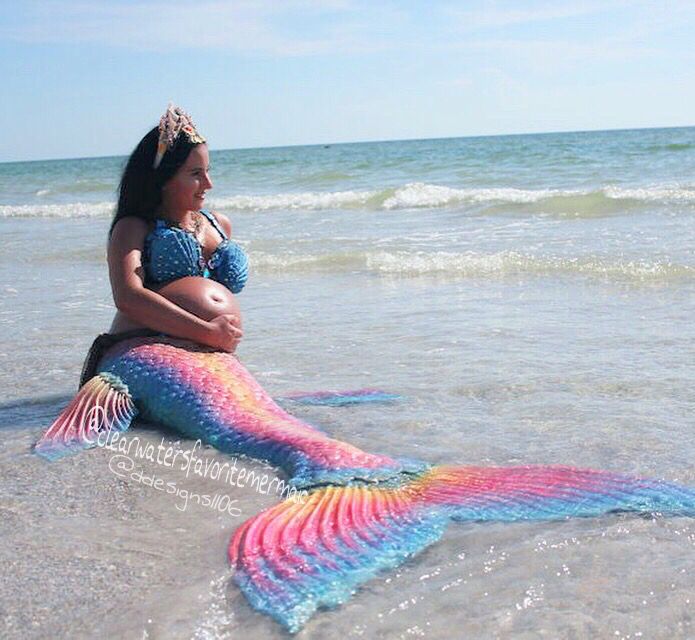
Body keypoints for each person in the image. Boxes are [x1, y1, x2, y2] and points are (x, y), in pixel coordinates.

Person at [80, 105, 247, 387]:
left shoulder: (218, 225)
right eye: (195, 173)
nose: (208, 183)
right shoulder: (133, 228)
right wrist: (206, 331)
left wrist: (212, 338)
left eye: (208, 171)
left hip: (206, 354)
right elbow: (128, 297)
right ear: (164, 179)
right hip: (141, 349)